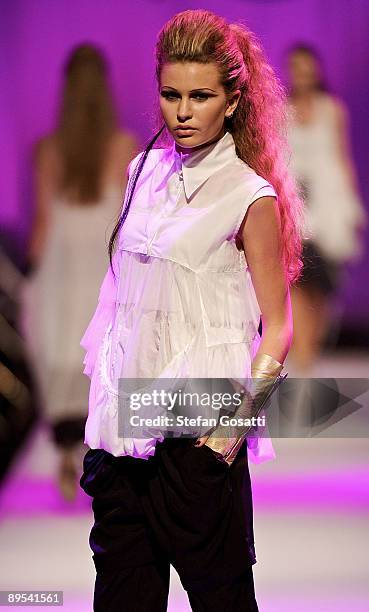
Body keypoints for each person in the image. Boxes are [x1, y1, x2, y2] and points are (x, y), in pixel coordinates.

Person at [79, 10, 302, 611]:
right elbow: (121, 302)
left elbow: (279, 328)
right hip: (124, 441)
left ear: (232, 100)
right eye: (171, 94)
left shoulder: (250, 195)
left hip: (197, 441)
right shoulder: (140, 172)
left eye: (201, 96)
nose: (182, 111)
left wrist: (227, 439)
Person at [20, 43, 139, 501]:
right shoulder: (124, 148)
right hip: (102, 267)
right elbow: (128, 222)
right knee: (104, 358)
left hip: (61, 269)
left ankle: (67, 453)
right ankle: (97, 450)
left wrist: (28, 277)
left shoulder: (48, 151)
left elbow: (43, 224)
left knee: (61, 356)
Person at [284, 43, 367, 374]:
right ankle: (302, 358)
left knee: (322, 287)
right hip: (295, 207)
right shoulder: (280, 110)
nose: (302, 75)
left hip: (327, 208)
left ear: (316, 71)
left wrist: (351, 208)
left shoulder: (332, 109)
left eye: (307, 67)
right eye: (296, 68)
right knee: (298, 281)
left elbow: (342, 158)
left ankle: (309, 354)